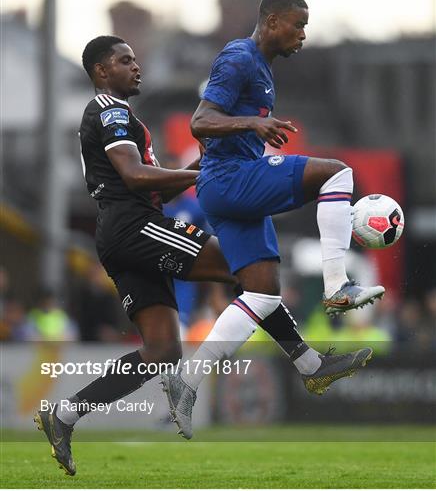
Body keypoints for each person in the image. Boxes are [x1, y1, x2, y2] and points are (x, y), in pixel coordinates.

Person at [35, 35, 373, 475]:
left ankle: (63, 415)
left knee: (161, 352)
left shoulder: (114, 113)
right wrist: (197, 172)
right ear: (101, 71)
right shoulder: (110, 109)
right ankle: (309, 364)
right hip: (137, 225)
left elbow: (150, 181)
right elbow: (136, 177)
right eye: (125, 60)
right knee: (249, 274)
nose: (136, 66)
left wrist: (196, 170)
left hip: (118, 233)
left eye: (135, 58)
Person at [160, 0, 384, 439]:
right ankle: (337, 286)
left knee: (261, 294)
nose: (303, 34)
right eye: (298, 24)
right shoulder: (239, 57)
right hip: (230, 179)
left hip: (225, 185)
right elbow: (200, 121)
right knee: (337, 175)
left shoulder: (262, 68)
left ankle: (196, 378)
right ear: (272, 20)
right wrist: (254, 124)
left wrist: (246, 131)